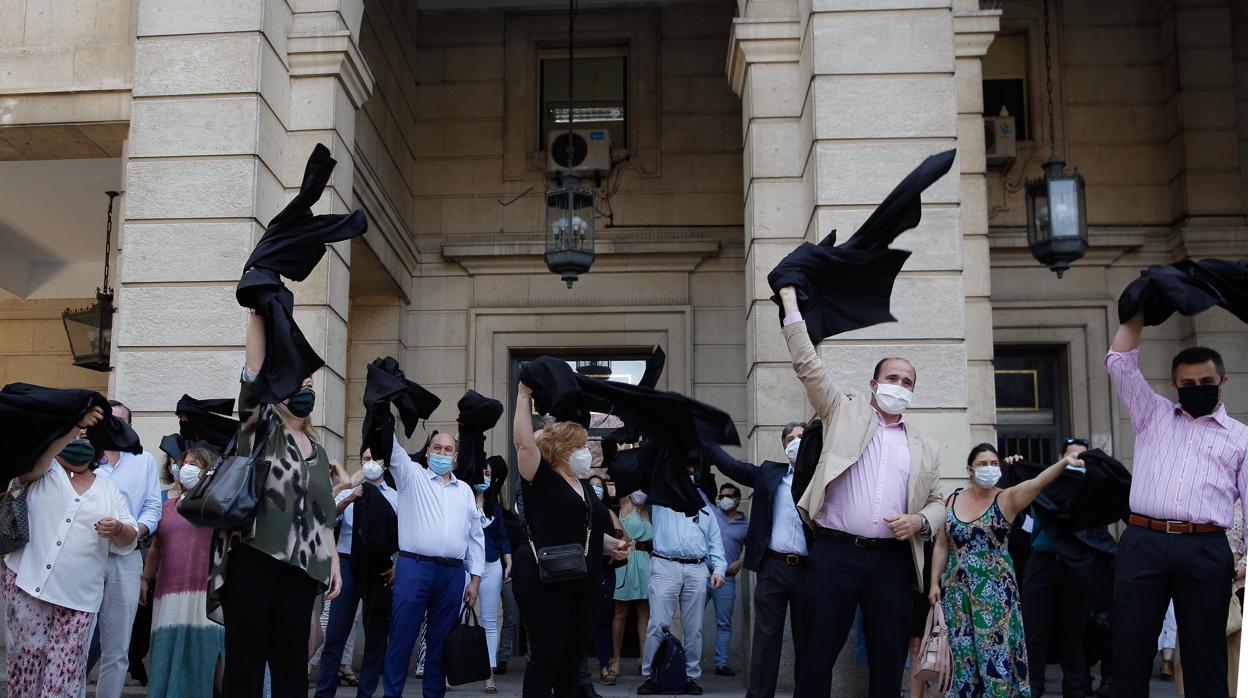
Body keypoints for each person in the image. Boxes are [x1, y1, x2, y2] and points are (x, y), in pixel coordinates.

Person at [776, 285, 945, 698]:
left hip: (892, 562)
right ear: (873, 383)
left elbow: (940, 502)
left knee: (889, 662)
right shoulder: (841, 410)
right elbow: (807, 365)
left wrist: (921, 520)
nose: (900, 386)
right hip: (835, 554)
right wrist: (790, 304)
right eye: (893, 378)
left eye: (907, 382)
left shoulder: (924, 445)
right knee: (815, 657)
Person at [1107, 313, 1248, 698]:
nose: (1196, 388)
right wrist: (1138, 311)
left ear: (1222, 381)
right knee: (1129, 650)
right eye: (1187, 384)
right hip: (1143, 542)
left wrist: (1244, 562)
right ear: (1174, 384)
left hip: (1205, 547)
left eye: (1206, 382)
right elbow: (1119, 363)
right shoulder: (1152, 415)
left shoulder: (1241, 438)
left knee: (1206, 659)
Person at [208, 312, 342, 698]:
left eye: (311, 383)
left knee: (291, 669)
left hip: (302, 567)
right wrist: (259, 312)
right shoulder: (260, 431)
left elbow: (323, 514)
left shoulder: (318, 451)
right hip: (254, 557)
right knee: (245, 666)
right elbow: (252, 374)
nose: (307, 387)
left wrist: (332, 561)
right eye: (299, 380)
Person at [931, 444, 1085, 697]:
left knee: (996, 661)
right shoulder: (953, 499)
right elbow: (941, 544)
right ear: (970, 470)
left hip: (995, 599)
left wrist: (1064, 462)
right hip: (958, 597)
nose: (989, 468)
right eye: (983, 464)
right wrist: (935, 583)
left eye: (994, 463)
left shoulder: (1007, 498)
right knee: (962, 660)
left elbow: (1037, 483)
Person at [4, 410, 139, 698]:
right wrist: (71, 426)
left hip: (78, 598)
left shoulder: (108, 487)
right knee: (26, 667)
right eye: (75, 435)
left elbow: (130, 537)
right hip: (27, 585)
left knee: (63, 677)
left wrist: (117, 528)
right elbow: (23, 475)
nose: (81, 440)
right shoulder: (44, 469)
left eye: (88, 437)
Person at [511, 381, 632, 698]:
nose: (585, 451)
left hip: (585, 581)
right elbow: (525, 444)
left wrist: (613, 546)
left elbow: (585, 534)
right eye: (578, 446)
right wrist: (524, 396)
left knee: (571, 661)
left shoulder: (584, 487)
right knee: (546, 657)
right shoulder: (541, 477)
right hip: (546, 580)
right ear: (563, 450)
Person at [705, 422, 810, 697]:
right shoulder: (769, 473)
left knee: (808, 643)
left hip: (809, 571)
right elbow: (731, 466)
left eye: (801, 436)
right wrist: (704, 439)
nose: (796, 442)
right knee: (765, 641)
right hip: (773, 567)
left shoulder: (821, 476)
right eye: (790, 438)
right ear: (784, 445)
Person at [383, 428, 485, 698]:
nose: (442, 453)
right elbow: (391, 448)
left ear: (455, 458)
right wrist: (384, 407)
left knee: (439, 644)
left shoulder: (464, 491)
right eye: (436, 448)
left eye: (448, 450)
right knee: (402, 638)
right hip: (414, 568)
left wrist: (474, 580)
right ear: (427, 451)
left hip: (452, 574)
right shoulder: (411, 476)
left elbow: (475, 537)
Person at [88, 400, 162, 698]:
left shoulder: (143, 460)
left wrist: (134, 532)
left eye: (122, 421)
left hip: (126, 557)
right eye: (110, 420)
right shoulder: (86, 458)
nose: (115, 426)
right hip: (86, 556)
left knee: (118, 646)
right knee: (77, 637)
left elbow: (153, 507)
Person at [637, 459, 727, 696]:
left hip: (697, 569)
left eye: (690, 472)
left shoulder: (705, 507)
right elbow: (640, 488)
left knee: (694, 628)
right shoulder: (661, 498)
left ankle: (690, 677)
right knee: (658, 624)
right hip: (665, 565)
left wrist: (718, 569)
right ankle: (651, 676)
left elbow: (715, 543)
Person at [316, 447, 398, 698]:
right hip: (347, 565)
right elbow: (327, 521)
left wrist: (397, 565)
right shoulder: (350, 492)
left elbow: (403, 536)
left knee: (374, 636)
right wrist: (349, 498)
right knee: (336, 634)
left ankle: (366, 693)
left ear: (385, 464)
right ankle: (324, 692)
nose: (370, 463)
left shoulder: (396, 497)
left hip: (380, 569)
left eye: (375, 459)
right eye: (365, 459)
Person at [143, 447, 225, 698]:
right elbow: (156, 547)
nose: (186, 467)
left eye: (195, 464)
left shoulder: (216, 505)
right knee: (167, 653)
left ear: (207, 472)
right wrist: (145, 579)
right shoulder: (166, 507)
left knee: (210, 652)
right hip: (168, 595)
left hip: (206, 594)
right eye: (184, 462)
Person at [1021, 437, 1094, 698]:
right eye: (1070, 456)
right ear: (1060, 459)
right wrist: (1012, 466)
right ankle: (1033, 688)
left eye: (1082, 456)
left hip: (1076, 566)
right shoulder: (1045, 485)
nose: (1076, 461)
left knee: (1073, 634)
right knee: (1035, 633)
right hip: (1043, 564)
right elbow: (1016, 495)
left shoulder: (1094, 488)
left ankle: (1076, 689)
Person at [474, 457, 513, 695]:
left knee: (489, 621)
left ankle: (489, 675)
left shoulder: (495, 507)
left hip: (491, 566)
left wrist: (508, 561)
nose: (484, 478)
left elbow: (502, 536)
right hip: (466, 567)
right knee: (455, 618)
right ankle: (448, 672)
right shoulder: (463, 501)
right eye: (481, 474)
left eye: (488, 474)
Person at [706, 481, 748, 677]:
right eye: (721, 496)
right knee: (692, 619)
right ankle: (686, 663)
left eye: (728, 496)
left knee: (724, 623)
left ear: (738, 499)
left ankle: (721, 664)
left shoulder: (745, 524)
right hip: (703, 573)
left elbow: (755, 545)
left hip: (727, 579)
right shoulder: (713, 513)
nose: (724, 500)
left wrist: (741, 561)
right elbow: (698, 491)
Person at [612, 490, 653, 679]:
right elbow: (623, 474)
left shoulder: (647, 511)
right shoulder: (626, 505)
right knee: (620, 612)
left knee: (644, 612)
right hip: (627, 559)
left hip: (645, 562)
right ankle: (617, 660)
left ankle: (644, 659)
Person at [496, 500, 525, 675]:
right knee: (510, 618)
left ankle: (528, 658)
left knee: (517, 618)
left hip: (514, 574)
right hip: (502, 573)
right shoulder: (503, 517)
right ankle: (502, 659)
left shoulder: (514, 521)